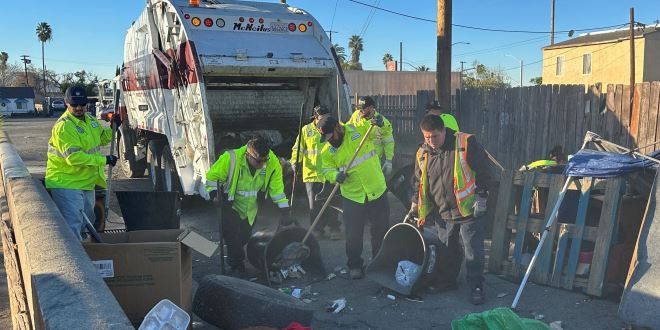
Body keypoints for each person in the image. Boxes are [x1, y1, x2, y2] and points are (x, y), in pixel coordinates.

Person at [407, 114, 491, 305]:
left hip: (468, 210)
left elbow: (485, 171)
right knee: (446, 248)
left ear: (444, 130)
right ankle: (447, 281)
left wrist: (482, 195)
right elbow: (419, 182)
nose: (431, 141)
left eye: (434, 137)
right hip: (442, 212)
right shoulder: (423, 152)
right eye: (427, 137)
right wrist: (415, 203)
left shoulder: (465, 143)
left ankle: (476, 286)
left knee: (473, 251)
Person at [316, 114, 390, 279]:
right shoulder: (327, 151)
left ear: (337, 127)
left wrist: (381, 123)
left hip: (376, 189)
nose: (328, 141)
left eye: (329, 136)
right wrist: (335, 176)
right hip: (353, 195)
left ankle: (379, 263)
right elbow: (326, 170)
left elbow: (383, 132)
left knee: (380, 230)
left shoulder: (359, 129)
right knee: (353, 234)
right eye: (325, 138)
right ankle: (355, 265)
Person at [206, 136, 292, 276]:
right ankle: (237, 266)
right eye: (259, 161)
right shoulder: (231, 158)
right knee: (232, 237)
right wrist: (215, 194)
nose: (263, 164)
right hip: (230, 204)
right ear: (248, 155)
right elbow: (211, 178)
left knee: (244, 237)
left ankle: (236, 257)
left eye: (265, 160)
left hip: (250, 209)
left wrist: (285, 210)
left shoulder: (272, 162)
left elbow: (277, 189)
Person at [45, 86, 118, 241]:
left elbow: (102, 138)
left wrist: (113, 127)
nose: (78, 108)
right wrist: (104, 160)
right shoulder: (64, 126)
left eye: (82, 104)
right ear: (66, 103)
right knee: (73, 225)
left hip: (86, 182)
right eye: (74, 105)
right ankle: (77, 263)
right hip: (66, 183)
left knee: (87, 223)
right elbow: (74, 158)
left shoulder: (90, 120)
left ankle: (87, 255)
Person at [290, 105, 342, 240]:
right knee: (314, 204)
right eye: (322, 117)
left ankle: (334, 228)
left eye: (327, 117)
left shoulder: (333, 127)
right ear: (316, 117)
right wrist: (295, 162)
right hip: (312, 174)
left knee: (331, 202)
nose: (325, 120)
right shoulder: (306, 130)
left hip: (329, 173)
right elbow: (298, 148)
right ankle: (317, 229)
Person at [347, 96, 395, 178]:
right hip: (355, 161)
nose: (360, 111)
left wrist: (388, 161)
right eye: (359, 108)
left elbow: (389, 142)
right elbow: (348, 128)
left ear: (371, 108)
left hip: (372, 163)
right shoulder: (356, 115)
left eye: (363, 108)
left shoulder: (382, 123)